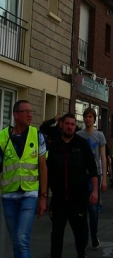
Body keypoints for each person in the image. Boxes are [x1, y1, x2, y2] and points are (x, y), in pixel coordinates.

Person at [0, 100, 48, 258]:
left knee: (22, 238)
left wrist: (43, 196)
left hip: (29, 194)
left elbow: (43, 167)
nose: (30, 115)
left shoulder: (37, 135)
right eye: (26, 111)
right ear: (15, 115)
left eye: (31, 111)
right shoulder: (3, 137)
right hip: (8, 195)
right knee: (15, 241)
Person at [47, 113, 98, 258]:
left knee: (80, 236)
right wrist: (43, 196)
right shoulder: (55, 144)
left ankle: (82, 255)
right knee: (56, 235)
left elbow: (92, 168)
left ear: (75, 126)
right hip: (59, 199)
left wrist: (95, 191)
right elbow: (48, 171)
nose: (69, 127)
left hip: (78, 199)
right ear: (62, 125)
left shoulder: (81, 144)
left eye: (72, 124)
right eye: (67, 124)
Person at [76, 107, 108, 249]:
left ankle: (94, 234)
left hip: (95, 174)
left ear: (94, 119)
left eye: (90, 116)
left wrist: (105, 178)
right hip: (81, 175)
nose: (88, 119)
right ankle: (85, 236)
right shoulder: (79, 135)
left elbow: (103, 157)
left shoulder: (99, 136)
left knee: (93, 209)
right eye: (86, 116)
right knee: (82, 208)